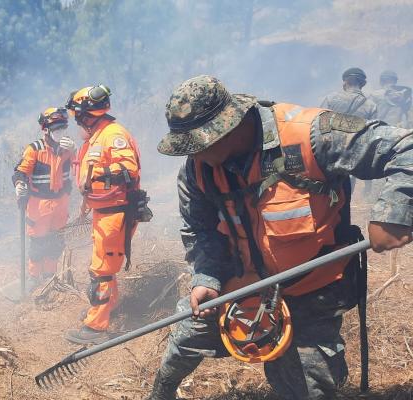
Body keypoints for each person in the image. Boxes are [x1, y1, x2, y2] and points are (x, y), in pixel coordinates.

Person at [149, 75, 412, 400]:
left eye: (199, 145)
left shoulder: (312, 134)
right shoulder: (197, 170)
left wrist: (395, 212)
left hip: (311, 290)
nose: (195, 156)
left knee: (309, 390)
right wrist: (207, 276)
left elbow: (406, 149)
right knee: (186, 338)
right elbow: (199, 230)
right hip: (241, 286)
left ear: (228, 125)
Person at [63, 85, 148, 345]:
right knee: (104, 266)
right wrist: (87, 201)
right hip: (104, 211)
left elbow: (128, 169)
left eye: (76, 115)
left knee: (101, 270)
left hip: (116, 213)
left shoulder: (113, 134)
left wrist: (97, 176)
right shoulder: (95, 137)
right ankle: (107, 305)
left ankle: (96, 327)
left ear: (85, 114)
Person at [11, 107, 75, 285]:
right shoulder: (35, 150)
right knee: (38, 245)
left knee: (56, 243)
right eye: (56, 128)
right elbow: (20, 171)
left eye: (63, 127)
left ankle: (50, 277)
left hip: (61, 203)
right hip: (39, 205)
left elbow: (80, 169)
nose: (60, 132)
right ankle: (34, 279)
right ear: (45, 129)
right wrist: (20, 185)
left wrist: (76, 151)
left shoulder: (68, 149)